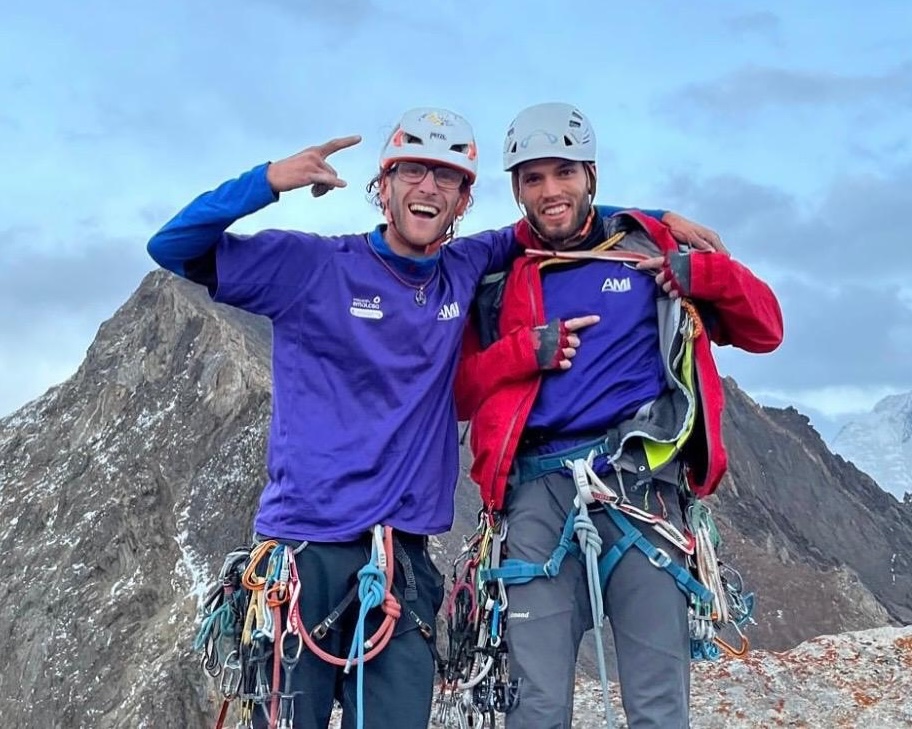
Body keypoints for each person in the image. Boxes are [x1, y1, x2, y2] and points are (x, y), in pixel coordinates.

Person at [147, 106, 719, 729]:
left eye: (446, 177)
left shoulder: (465, 267)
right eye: (412, 171)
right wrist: (267, 181)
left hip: (405, 562)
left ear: (464, 200)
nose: (428, 187)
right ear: (384, 185)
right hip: (307, 550)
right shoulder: (312, 267)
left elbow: (557, 216)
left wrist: (657, 221)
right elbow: (172, 246)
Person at [454, 102, 784, 729]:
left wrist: (702, 275)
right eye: (533, 178)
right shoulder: (499, 277)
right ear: (517, 190)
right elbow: (460, 396)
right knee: (536, 707)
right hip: (537, 495)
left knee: (657, 706)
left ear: (591, 175)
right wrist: (522, 352)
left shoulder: (651, 248)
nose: (550, 191)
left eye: (564, 172)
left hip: (639, 486)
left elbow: (766, 328)